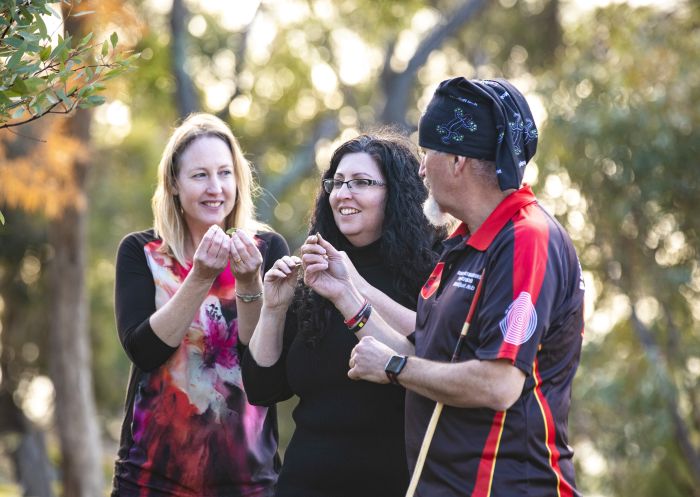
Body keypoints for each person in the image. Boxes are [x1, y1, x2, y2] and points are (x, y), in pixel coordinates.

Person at [344, 78, 585, 496]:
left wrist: (392, 368)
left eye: (427, 152)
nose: (420, 169)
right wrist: (345, 291)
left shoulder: (526, 238)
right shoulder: (466, 240)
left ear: (456, 159)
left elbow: (498, 385)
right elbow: (429, 355)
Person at [241, 131, 445, 497]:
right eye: (336, 182)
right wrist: (273, 308)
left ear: (396, 193)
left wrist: (356, 289)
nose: (343, 193)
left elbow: (435, 347)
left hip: (395, 483)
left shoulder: (435, 268)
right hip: (305, 484)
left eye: (362, 182)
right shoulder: (317, 274)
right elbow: (262, 389)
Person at [112, 113, 289, 497]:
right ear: (174, 184)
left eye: (225, 173)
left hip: (250, 482)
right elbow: (144, 350)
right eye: (200, 175)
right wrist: (200, 277)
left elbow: (261, 362)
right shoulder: (141, 252)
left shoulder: (266, 249)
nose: (216, 188)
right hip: (150, 480)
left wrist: (247, 281)